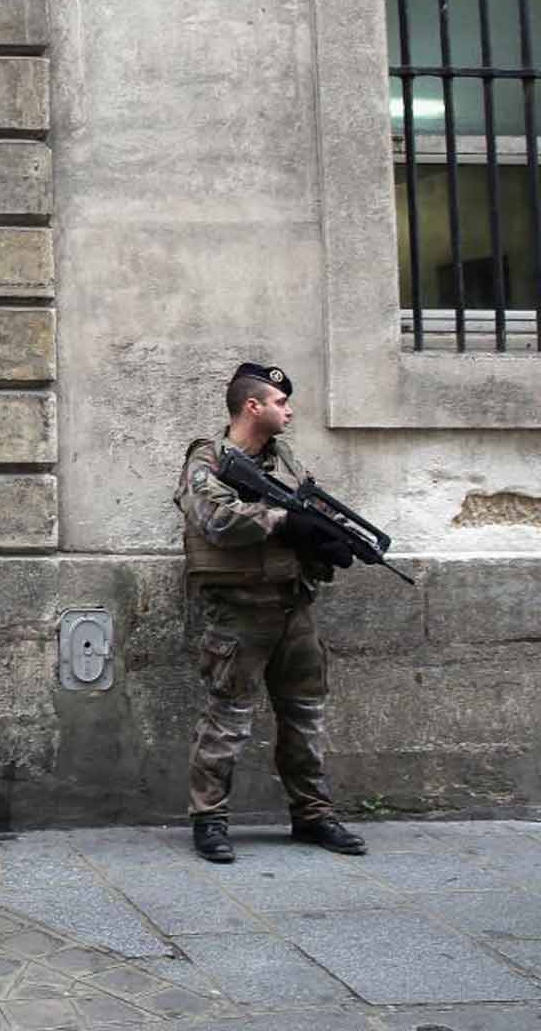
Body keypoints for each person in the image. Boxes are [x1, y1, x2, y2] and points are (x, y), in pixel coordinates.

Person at [178, 361, 367, 864]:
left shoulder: (285, 461)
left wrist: (326, 538)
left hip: (295, 605)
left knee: (306, 717)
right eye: (280, 403)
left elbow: (311, 513)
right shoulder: (208, 459)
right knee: (227, 719)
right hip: (241, 611)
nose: (289, 410)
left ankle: (313, 815)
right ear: (252, 406)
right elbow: (215, 519)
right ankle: (210, 819)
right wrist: (286, 521)